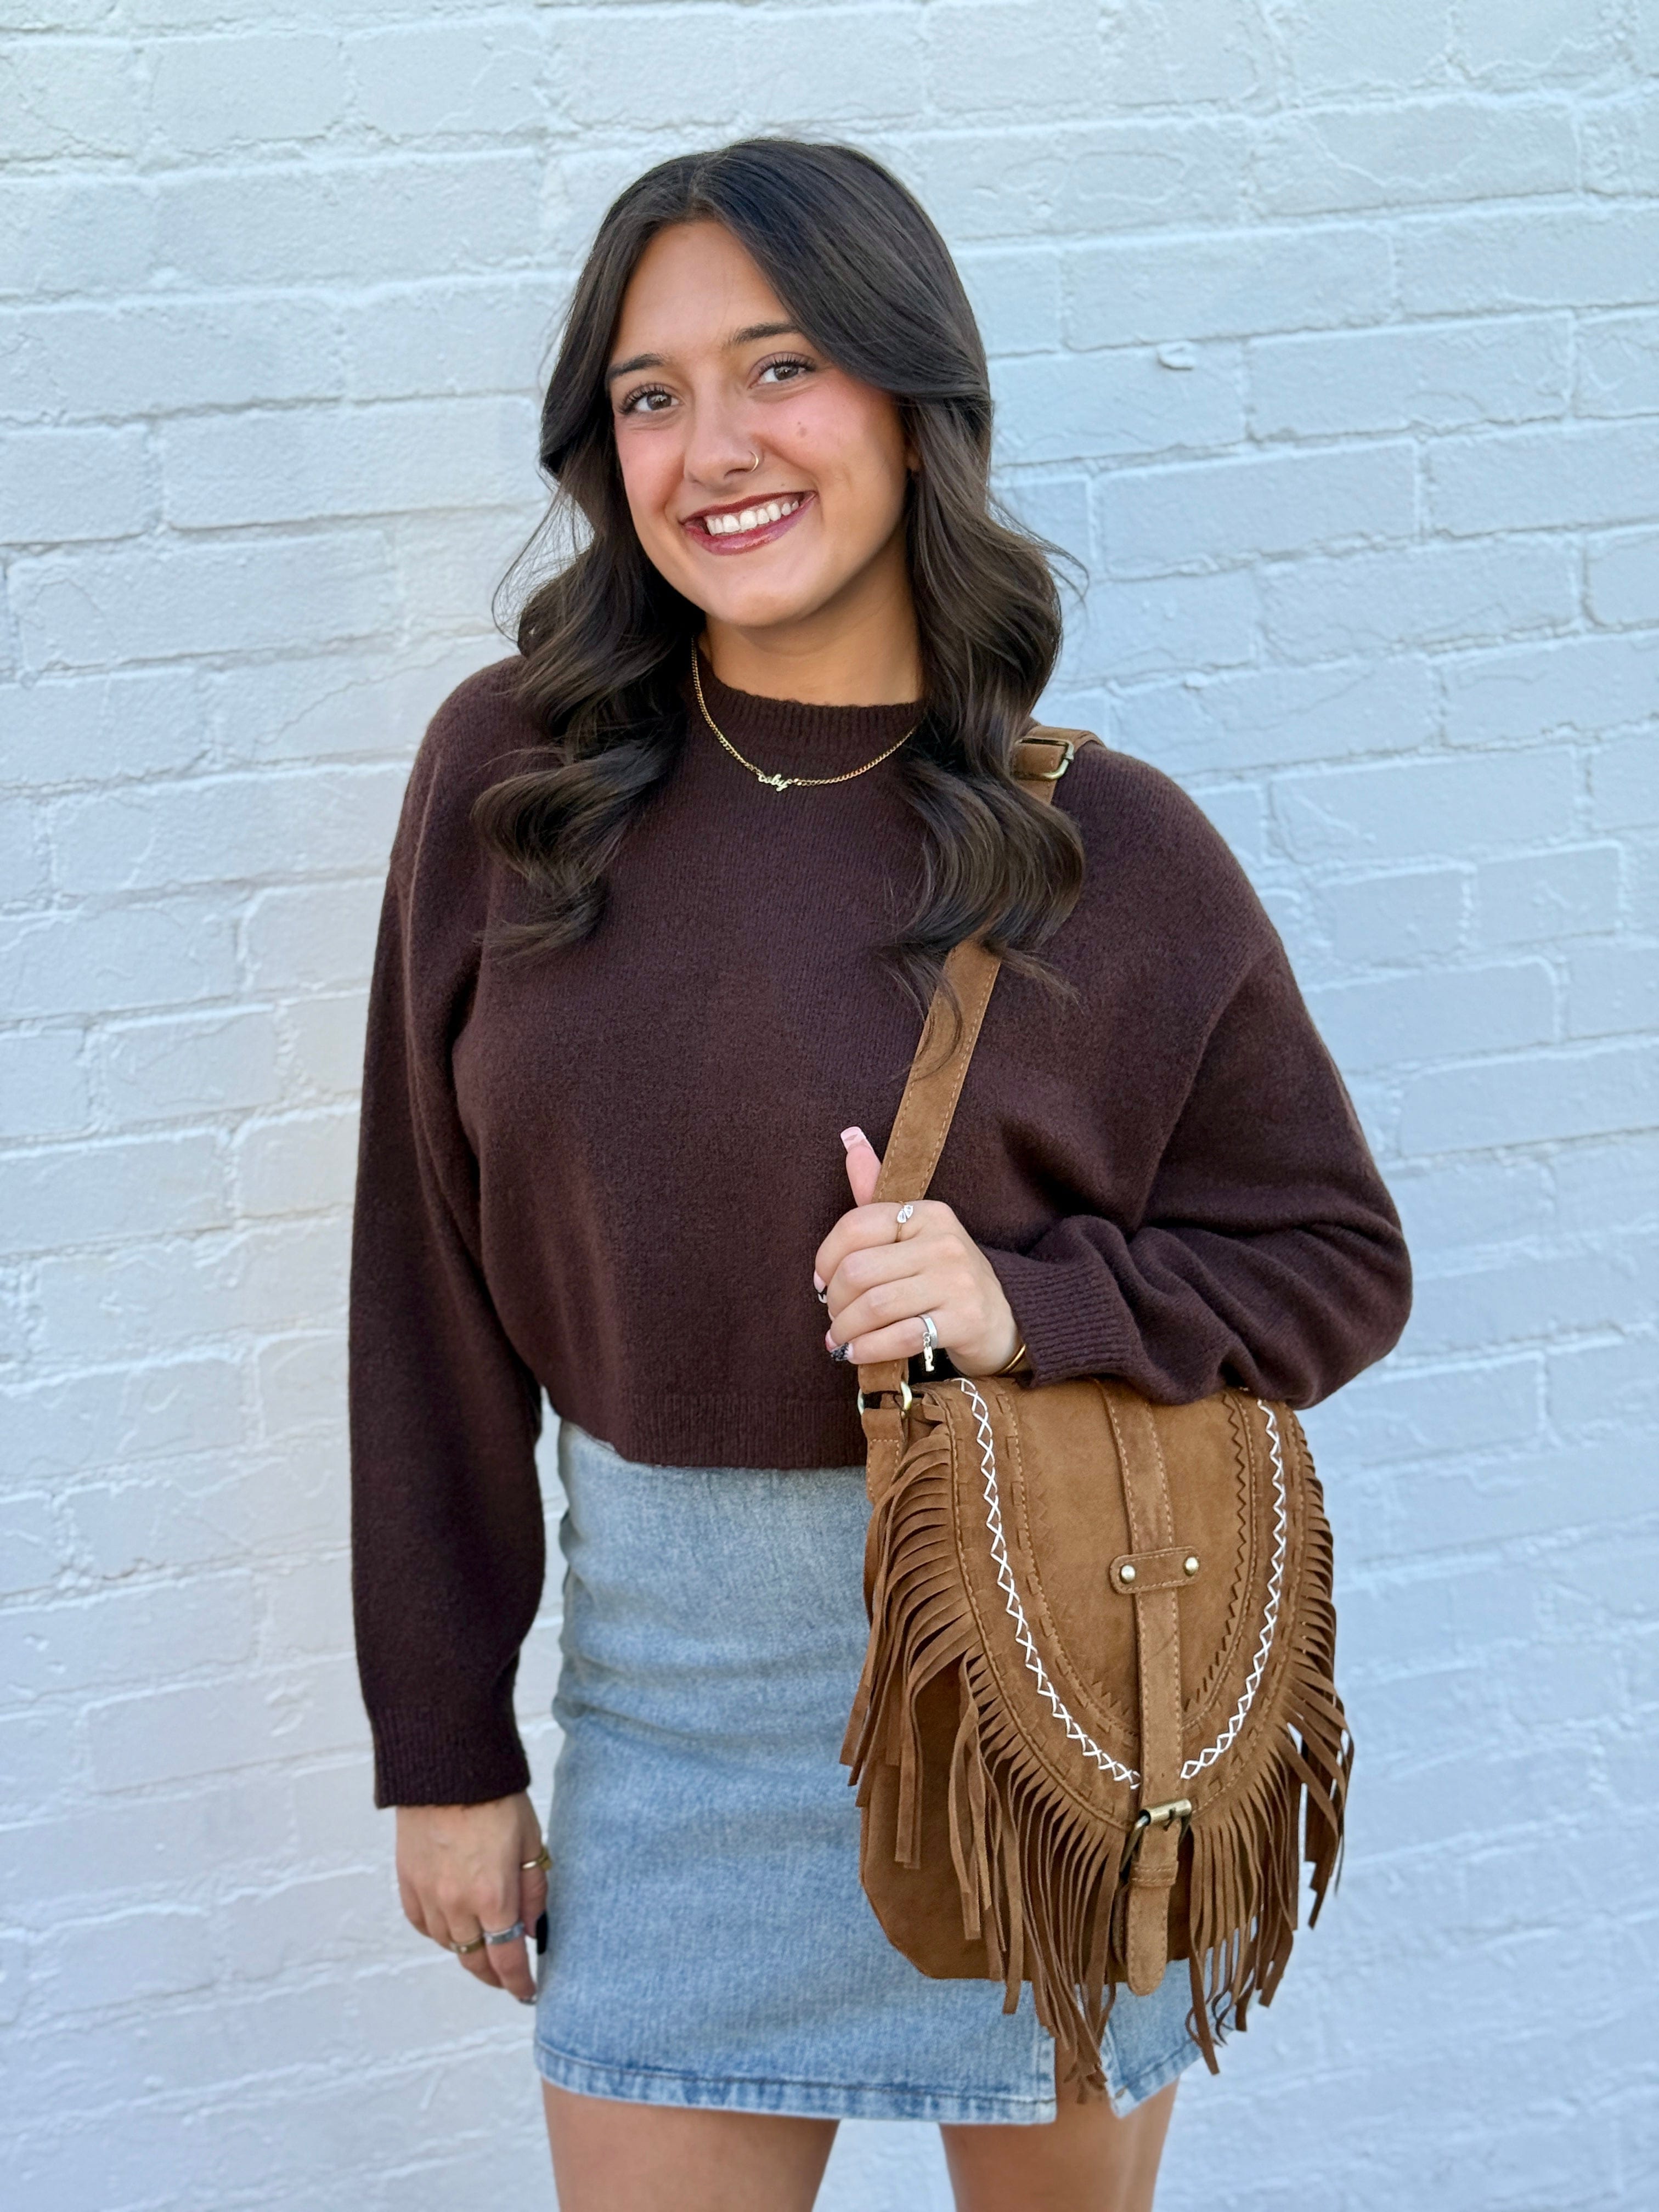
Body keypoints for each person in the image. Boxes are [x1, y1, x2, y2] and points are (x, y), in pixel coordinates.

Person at [348, 138, 1412, 2212]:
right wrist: (444, 1742)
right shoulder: (513, 786)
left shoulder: (1114, 851)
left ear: (918, 410)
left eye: (783, 368)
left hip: (1047, 1704)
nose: (712, 447)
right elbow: (425, 1289)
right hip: (671, 1725)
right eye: (649, 395)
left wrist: (1039, 1305)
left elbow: (1334, 1261)